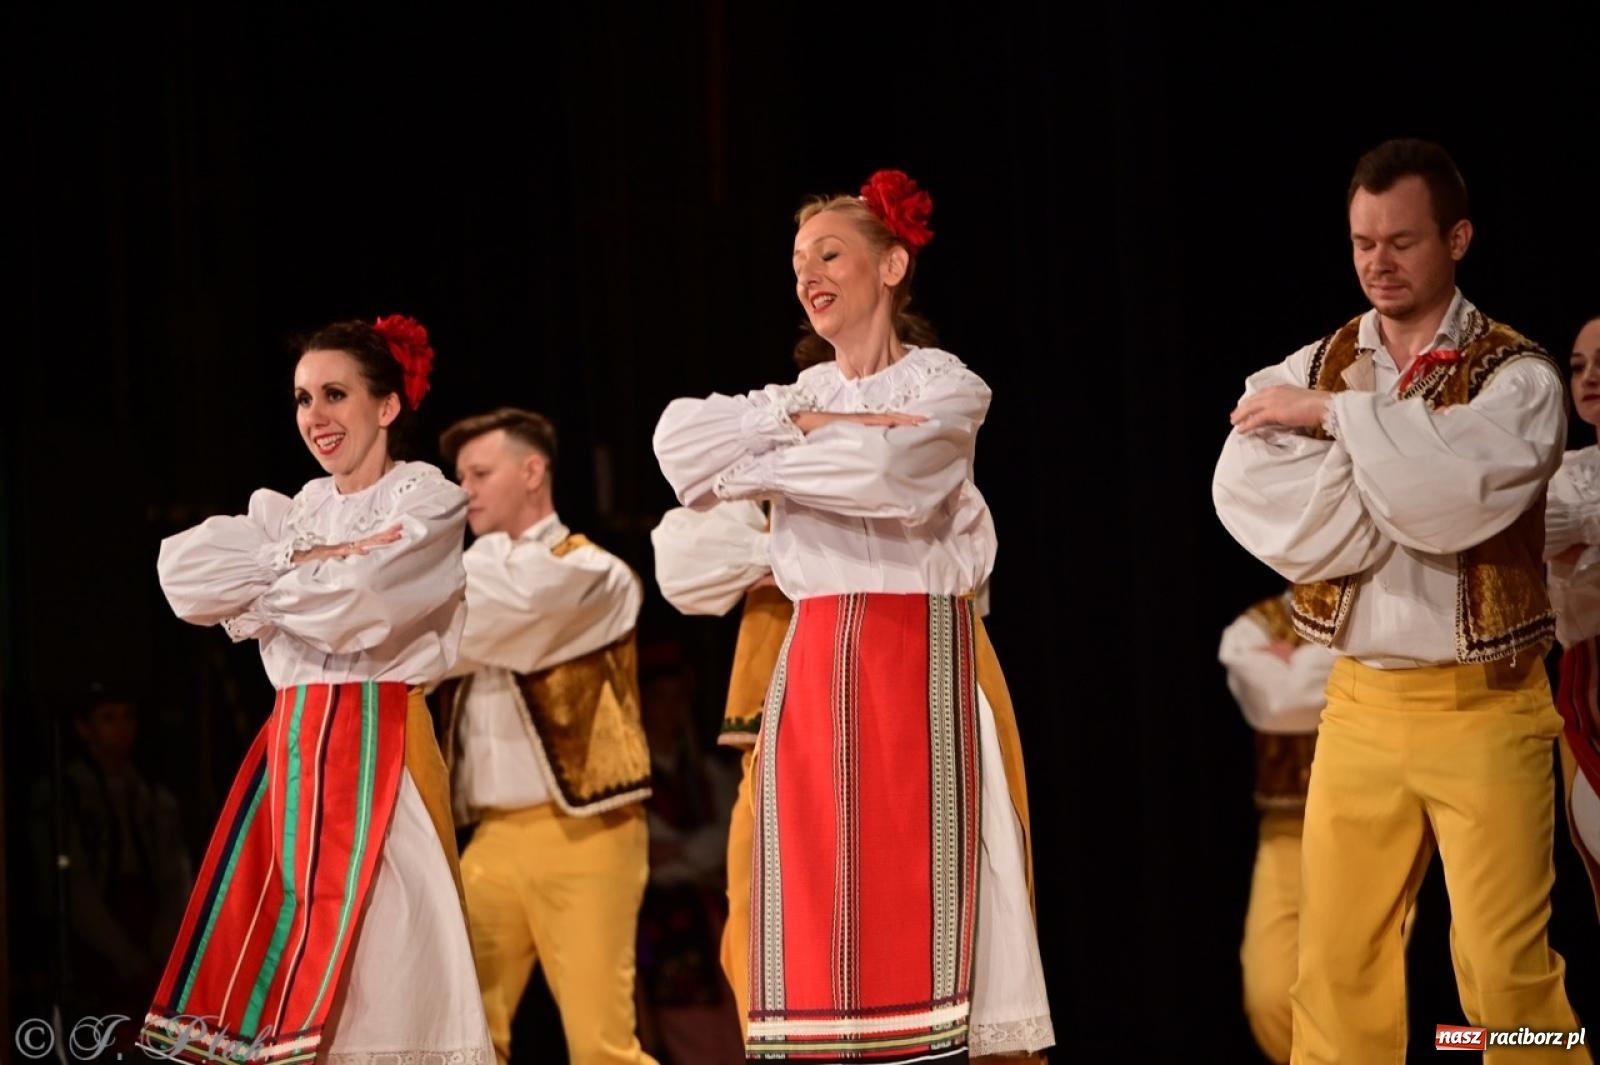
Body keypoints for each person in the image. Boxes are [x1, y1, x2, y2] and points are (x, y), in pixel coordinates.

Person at [653, 169, 1053, 1062]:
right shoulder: (797, 394)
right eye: (798, 262)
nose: (808, 274)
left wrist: (767, 459)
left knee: (945, 898)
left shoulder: (948, 386)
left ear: (894, 264)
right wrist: (815, 433)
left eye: (830, 252)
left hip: (922, 657)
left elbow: (893, 480)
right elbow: (677, 443)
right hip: (820, 660)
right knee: (812, 903)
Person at [1214, 139, 1586, 1063]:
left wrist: (1341, 423)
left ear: (1457, 239)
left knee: (1503, 974)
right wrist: (1389, 456)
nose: (1379, 263)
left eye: (1403, 242)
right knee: (1334, 966)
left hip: (1487, 706)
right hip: (1361, 703)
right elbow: (1259, 501)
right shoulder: (1317, 361)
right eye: (1362, 243)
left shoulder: (1521, 377)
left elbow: (1451, 501)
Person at [141, 315, 492, 1063]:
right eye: (303, 398)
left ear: (388, 406)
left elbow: (359, 605)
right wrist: (318, 555)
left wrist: (276, 575)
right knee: (287, 960)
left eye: (334, 394)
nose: (314, 417)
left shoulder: (426, 498)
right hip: (296, 748)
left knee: (391, 962)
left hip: (380, 740)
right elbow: (185, 576)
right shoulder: (294, 508)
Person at [430, 407, 657, 1065]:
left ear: (533, 471)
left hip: (588, 830)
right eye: (459, 476)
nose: (464, 488)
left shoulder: (595, 575)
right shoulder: (472, 575)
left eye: (479, 472)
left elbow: (492, 624)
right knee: (459, 1038)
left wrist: (421, 602)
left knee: (599, 1046)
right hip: (493, 837)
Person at [1217, 593, 1336, 1064]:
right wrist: (1332, 664)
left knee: (1355, 987)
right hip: (1287, 827)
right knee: (1268, 993)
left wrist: (1300, 661)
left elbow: (1375, 661)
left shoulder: (1373, 611)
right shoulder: (1256, 625)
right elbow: (1278, 702)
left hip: (1371, 820)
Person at [1544, 314, 1600, 915]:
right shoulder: (1566, 474)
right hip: (1592, 691)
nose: (1589, 377)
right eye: (1580, 365)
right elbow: (1538, 534)